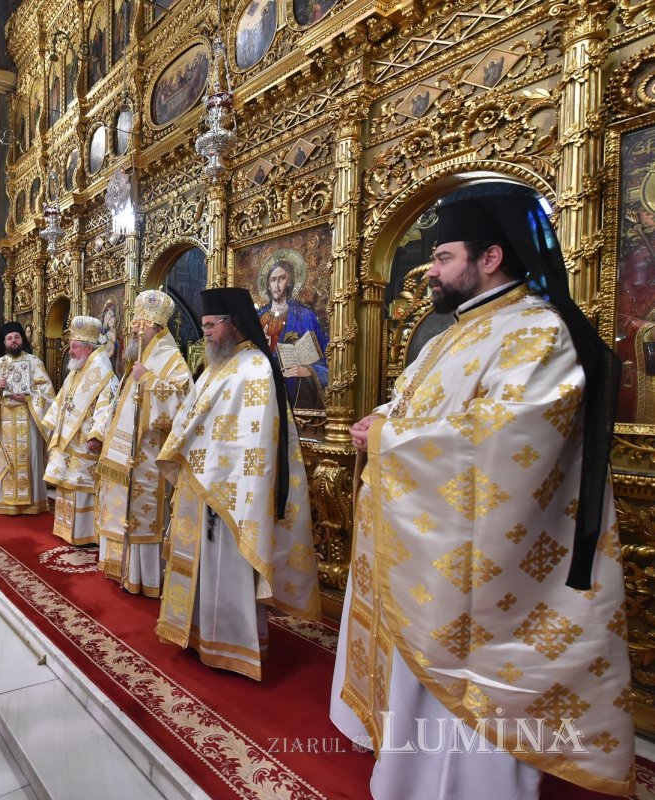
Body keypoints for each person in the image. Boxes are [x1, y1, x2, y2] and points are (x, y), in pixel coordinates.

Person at [330, 189, 634, 798]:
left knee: (471, 712)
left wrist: (390, 437)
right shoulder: (452, 335)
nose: (431, 272)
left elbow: (505, 442)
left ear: (490, 256)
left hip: (490, 570)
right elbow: (416, 405)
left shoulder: (537, 331)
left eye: (442, 258)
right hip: (433, 555)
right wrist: (382, 421)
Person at [155, 287, 319, 680]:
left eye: (211, 326)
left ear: (232, 324)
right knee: (199, 565)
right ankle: (197, 634)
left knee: (225, 566)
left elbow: (256, 439)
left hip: (231, 492)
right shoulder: (217, 367)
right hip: (203, 484)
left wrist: (213, 472)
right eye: (205, 326)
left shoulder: (256, 369)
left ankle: (230, 642)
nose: (206, 333)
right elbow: (193, 419)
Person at [95, 290, 192, 595]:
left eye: (142, 325)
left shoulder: (171, 358)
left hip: (150, 454)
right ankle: (122, 568)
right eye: (135, 323)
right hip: (125, 452)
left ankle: (146, 577)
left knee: (143, 511)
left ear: (158, 328)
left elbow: (183, 402)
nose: (135, 329)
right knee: (121, 508)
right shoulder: (138, 357)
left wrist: (148, 381)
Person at [41, 316, 118, 545]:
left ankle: (87, 534)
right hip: (68, 438)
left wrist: (97, 435)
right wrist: (54, 423)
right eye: (71, 345)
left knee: (82, 485)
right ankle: (67, 530)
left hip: (85, 442)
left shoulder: (104, 375)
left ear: (88, 347)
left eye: (74, 346)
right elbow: (62, 400)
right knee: (68, 483)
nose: (70, 351)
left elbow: (108, 406)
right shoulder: (76, 371)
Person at [0, 322, 55, 515]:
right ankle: (6, 502)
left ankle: (34, 502)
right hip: (4, 424)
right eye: (10, 338)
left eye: (17, 337)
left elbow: (48, 393)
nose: (14, 341)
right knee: (8, 458)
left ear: (22, 339)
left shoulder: (34, 362)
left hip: (29, 421)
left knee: (31, 458)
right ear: (4, 342)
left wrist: (29, 398)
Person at [258, 260, 329, 409]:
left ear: (290, 282)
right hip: (261, 388)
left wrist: (308, 370)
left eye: (282, 278)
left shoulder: (305, 315)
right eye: (273, 280)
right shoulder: (258, 317)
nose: (277, 285)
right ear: (268, 284)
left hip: (294, 391)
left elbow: (326, 358)